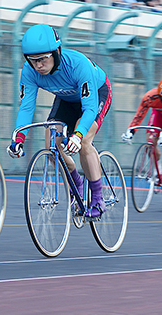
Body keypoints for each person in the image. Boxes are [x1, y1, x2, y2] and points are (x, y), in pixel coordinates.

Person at [7, 25, 112, 218]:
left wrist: (78, 135)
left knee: (84, 142)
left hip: (96, 94)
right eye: (32, 60)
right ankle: (77, 184)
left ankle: (98, 198)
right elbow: (27, 107)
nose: (38, 65)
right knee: (52, 145)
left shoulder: (78, 64)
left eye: (42, 59)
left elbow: (89, 108)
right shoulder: (29, 72)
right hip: (67, 98)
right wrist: (18, 137)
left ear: (56, 52)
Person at [121, 77, 162, 188]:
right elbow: (139, 115)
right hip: (159, 115)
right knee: (151, 141)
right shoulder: (150, 97)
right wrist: (131, 131)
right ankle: (158, 167)